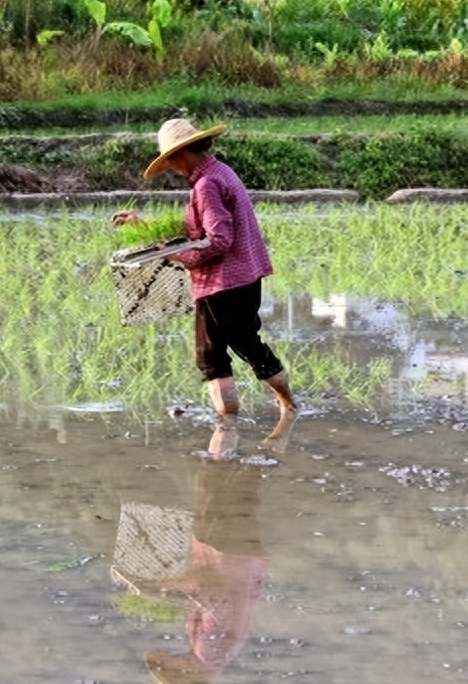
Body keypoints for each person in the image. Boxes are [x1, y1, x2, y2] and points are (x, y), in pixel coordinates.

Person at [113, 119, 298, 454]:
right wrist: (146, 228)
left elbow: (218, 241)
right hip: (237, 278)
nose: (169, 166)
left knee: (243, 347)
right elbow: (195, 232)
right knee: (213, 355)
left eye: (170, 158)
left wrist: (180, 257)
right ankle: (229, 424)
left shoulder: (206, 184)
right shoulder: (220, 172)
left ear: (182, 153)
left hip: (224, 283)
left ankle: (286, 407)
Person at [121, 461, 272, 684]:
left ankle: (245, 437)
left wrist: (166, 589)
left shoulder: (214, 657)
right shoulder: (208, 652)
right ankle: (269, 439)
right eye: (171, 667)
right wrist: (160, 587)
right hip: (228, 556)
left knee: (223, 486)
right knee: (229, 485)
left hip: (237, 561)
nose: (172, 659)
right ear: (185, 674)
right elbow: (216, 596)